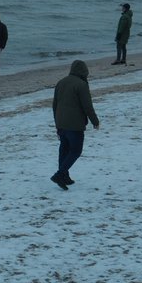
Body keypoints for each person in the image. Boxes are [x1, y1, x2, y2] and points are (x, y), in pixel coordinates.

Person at [50, 60, 100, 190]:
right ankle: (60, 174)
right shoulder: (81, 85)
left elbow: (55, 104)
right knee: (76, 150)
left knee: (64, 149)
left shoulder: (61, 82)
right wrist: (95, 121)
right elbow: (87, 106)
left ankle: (64, 175)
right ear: (84, 71)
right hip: (74, 124)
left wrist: (57, 122)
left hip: (61, 122)